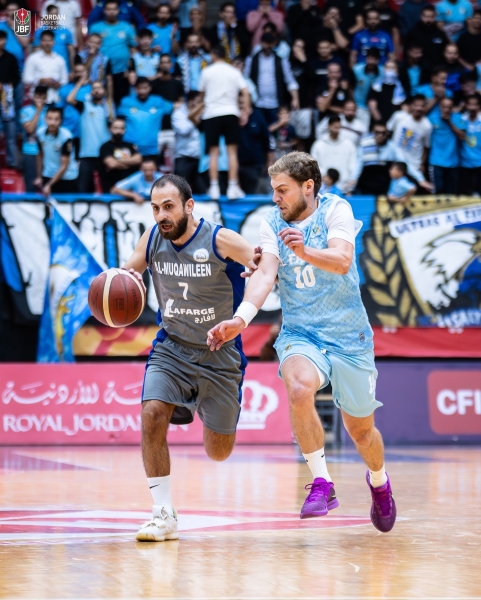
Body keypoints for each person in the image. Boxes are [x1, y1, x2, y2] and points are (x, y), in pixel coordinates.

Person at [207, 152, 397, 534]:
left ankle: (379, 482)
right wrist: (240, 319)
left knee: (362, 433)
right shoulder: (272, 222)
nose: (275, 197)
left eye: (282, 189)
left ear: (308, 187)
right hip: (301, 333)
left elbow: (342, 261)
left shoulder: (335, 210)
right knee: (298, 387)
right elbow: (264, 275)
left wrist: (304, 251)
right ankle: (321, 481)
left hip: (349, 336)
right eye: (273, 189)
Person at [122, 173, 258, 542]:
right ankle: (163, 514)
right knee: (151, 413)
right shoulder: (152, 238)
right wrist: (115, 285)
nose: (161, 215)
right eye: (155, 208)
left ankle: (200, 403)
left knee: (218, 451)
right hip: (173, 346)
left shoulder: (221, 239)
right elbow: (128, 273)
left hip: (220, 352)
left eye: (168, 207)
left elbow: (264, 268)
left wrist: (258, 269)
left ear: (189, 205)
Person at [199, 45, 250, 200]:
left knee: (213, 153)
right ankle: (232, 187)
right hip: (230, 112)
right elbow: (246, 92)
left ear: (214, 55)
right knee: (232, 152)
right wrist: (245, 112)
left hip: (211, 114)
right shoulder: (234, 71)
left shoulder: (206, 72)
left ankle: (214, 188)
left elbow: (201, 95)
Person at [67, 77, 112, 193]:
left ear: (104, 91)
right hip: (86, 154)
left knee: (107, 187)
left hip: (105, 154)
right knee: (83, 188)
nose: (97, 91)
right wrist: (79, 83)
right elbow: (70, 99)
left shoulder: (109, 108)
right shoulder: (85, 106)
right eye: (94, 89)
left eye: (99, 88)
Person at [244, 32, 300, 125]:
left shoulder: (281, 61)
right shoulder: (252, 60)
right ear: (261, 43)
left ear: (274, 43)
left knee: (276, 130)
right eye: (266, 43)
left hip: (275, 105)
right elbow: (245, 80)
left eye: (271, 43)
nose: (269, 46)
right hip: (257, 104)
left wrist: (295, 98)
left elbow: (290, 81)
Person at [354, 120, 423, 195]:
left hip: (384, 187)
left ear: (387, 133)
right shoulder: (364, 144)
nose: (380, 135)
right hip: (367, 185)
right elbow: (358, 164)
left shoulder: (392, 147)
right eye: (377, 132)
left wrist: (420, 179)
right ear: (372, 132)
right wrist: (353, 179)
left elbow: (404, 163)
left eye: (383, 133)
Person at [89, 0, 136, 106]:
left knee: (121, 101)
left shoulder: (127, 27)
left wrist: (131, 69)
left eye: (114, 9)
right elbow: (90, 48)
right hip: (101, 72)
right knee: (102, 101)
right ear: (104, 11)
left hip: (122, 71)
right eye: (109, 9)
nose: (111, 12)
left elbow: (133, 49)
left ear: (118, 10)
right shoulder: (95, 28)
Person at [118, 77, 173, 161]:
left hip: (152, 148)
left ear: (150, 88)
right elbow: (118, 121)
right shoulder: (126, 102)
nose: (142, 91)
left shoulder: (158, 101)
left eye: (145, 88)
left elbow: (174, 107)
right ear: (135, 89)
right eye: (139, 88)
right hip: (130, 148)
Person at [387, 95, 434, 191]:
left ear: (425, 107)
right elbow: (387, 131)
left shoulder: (427, 126)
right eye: (416, 105)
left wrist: (422, 164)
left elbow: (426, 147)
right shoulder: (399, 117)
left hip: (414, 165)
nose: (418, 108)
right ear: (411, 106)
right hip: (396, 165)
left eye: (422, 106)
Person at [35, 106, 79, 195]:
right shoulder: (39, 133)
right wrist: (39, 177)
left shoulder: (67, 137)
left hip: (67, 178)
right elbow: (40, 156)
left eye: (56, 119)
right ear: (45, 119)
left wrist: (49, 185)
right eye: (50, 118)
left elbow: (64, 165)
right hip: (48, 175)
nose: (52, 122)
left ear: (61, 121)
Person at [311, 116, 358, 194]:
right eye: (334, 124)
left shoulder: (349, 145)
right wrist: (325, 179)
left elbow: (353, 166)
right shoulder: (318, 145)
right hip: (323, 191)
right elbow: (314, 167)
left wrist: (350, 186)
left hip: (345, 189)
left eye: (338, 124)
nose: (336, 126)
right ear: (328, 126)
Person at [428, 97, 463, 194]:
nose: (446, 110)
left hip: (453, 162)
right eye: (444, 107)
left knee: (451, 192)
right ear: (440, 107)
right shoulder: (432, 118)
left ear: (452, 108)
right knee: (437, 190)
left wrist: (449, 121)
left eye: (449, 107)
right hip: (436, 161)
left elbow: (462, 137)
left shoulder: (458, 118)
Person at [23, 30, 68, 104]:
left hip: (55, 98)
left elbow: (65, 80)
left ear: (53, 42)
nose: (47, 43)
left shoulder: (60, 60)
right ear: (40, 42)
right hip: (37, 99)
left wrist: (59, 84)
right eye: (44, 40)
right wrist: (41, 80)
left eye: (49, 41)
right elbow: (26, 79)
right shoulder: (32, 58)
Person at [98, 117, 142, 193]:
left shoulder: (130, 145)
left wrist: (117, 160)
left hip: (131, 185)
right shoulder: (105, 147)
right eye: (116, 128)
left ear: (125, 130)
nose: (119, 131)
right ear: (110, 129)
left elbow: (138, 160)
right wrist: (130, 165)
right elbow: (112, 164)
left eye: (122, 128)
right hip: (112, 186)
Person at [238, 99, 271, 193]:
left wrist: (269, 161)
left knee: (255, 192)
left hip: (255, 165)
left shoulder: (258, 115)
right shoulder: (232, 116)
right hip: (235, 166)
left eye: (243, 99)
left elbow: (267, 139)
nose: (241, 102)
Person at [172, 90, 203, 190]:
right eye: (198, 102)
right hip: (183, 158)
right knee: (180, 190)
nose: (200, 105)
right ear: (190, 101)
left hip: (201, 160)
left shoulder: (205, 113)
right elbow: (184, 130)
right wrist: (194, 119)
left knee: (202, 190)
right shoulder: (178, 114)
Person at [20, 86, 48, 192]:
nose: (40, 100)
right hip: (30, 152)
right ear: (33, 97)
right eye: (38, 97)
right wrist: (38, 112)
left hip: (46, 153)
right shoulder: (25, 110)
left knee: (46, 186)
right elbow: (30, 129)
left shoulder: (50, 112)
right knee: (31, 186)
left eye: (43, 98)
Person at [33, 4, 75, 73]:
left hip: (64, 71)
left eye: (56, 14)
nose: (54, 17)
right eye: (51, 14)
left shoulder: (66, 31)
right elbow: (36, 52)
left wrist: (73, 70)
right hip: (45, 71)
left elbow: (72, 53)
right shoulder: (39, 32)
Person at [454, 95, 481, 196]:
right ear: (466, 105)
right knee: (465, 194)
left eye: (475, 105)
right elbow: (448, 112)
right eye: (469, 104)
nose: (472, 107)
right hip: (464, 163)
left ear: (479, 106)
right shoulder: (461, 119)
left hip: (480, 162)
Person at [0, 29, 19, 169]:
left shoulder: (10, 58)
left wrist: (7, 85)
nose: (1, 42)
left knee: (11, 132)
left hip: (6, 97)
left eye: (3, 39)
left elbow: (16, 77)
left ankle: (12, 162)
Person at [368, 59, 407, 123]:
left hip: (395, 123)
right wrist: (381, 122)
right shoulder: (376, 86)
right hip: (379, 123)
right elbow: (372, 107)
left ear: (397, 71)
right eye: (388, 67)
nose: (390, 70)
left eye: (393, 68)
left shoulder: (401, 89)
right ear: (384, 70)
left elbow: (404, 108)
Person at [352, 48, 383, 127]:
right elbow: (350, 87)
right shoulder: (356, 70)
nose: (371, 62)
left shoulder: (383, 72)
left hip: (377, 107)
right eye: (369, 59)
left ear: (378, 60)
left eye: (374, 59)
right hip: (360, 106)